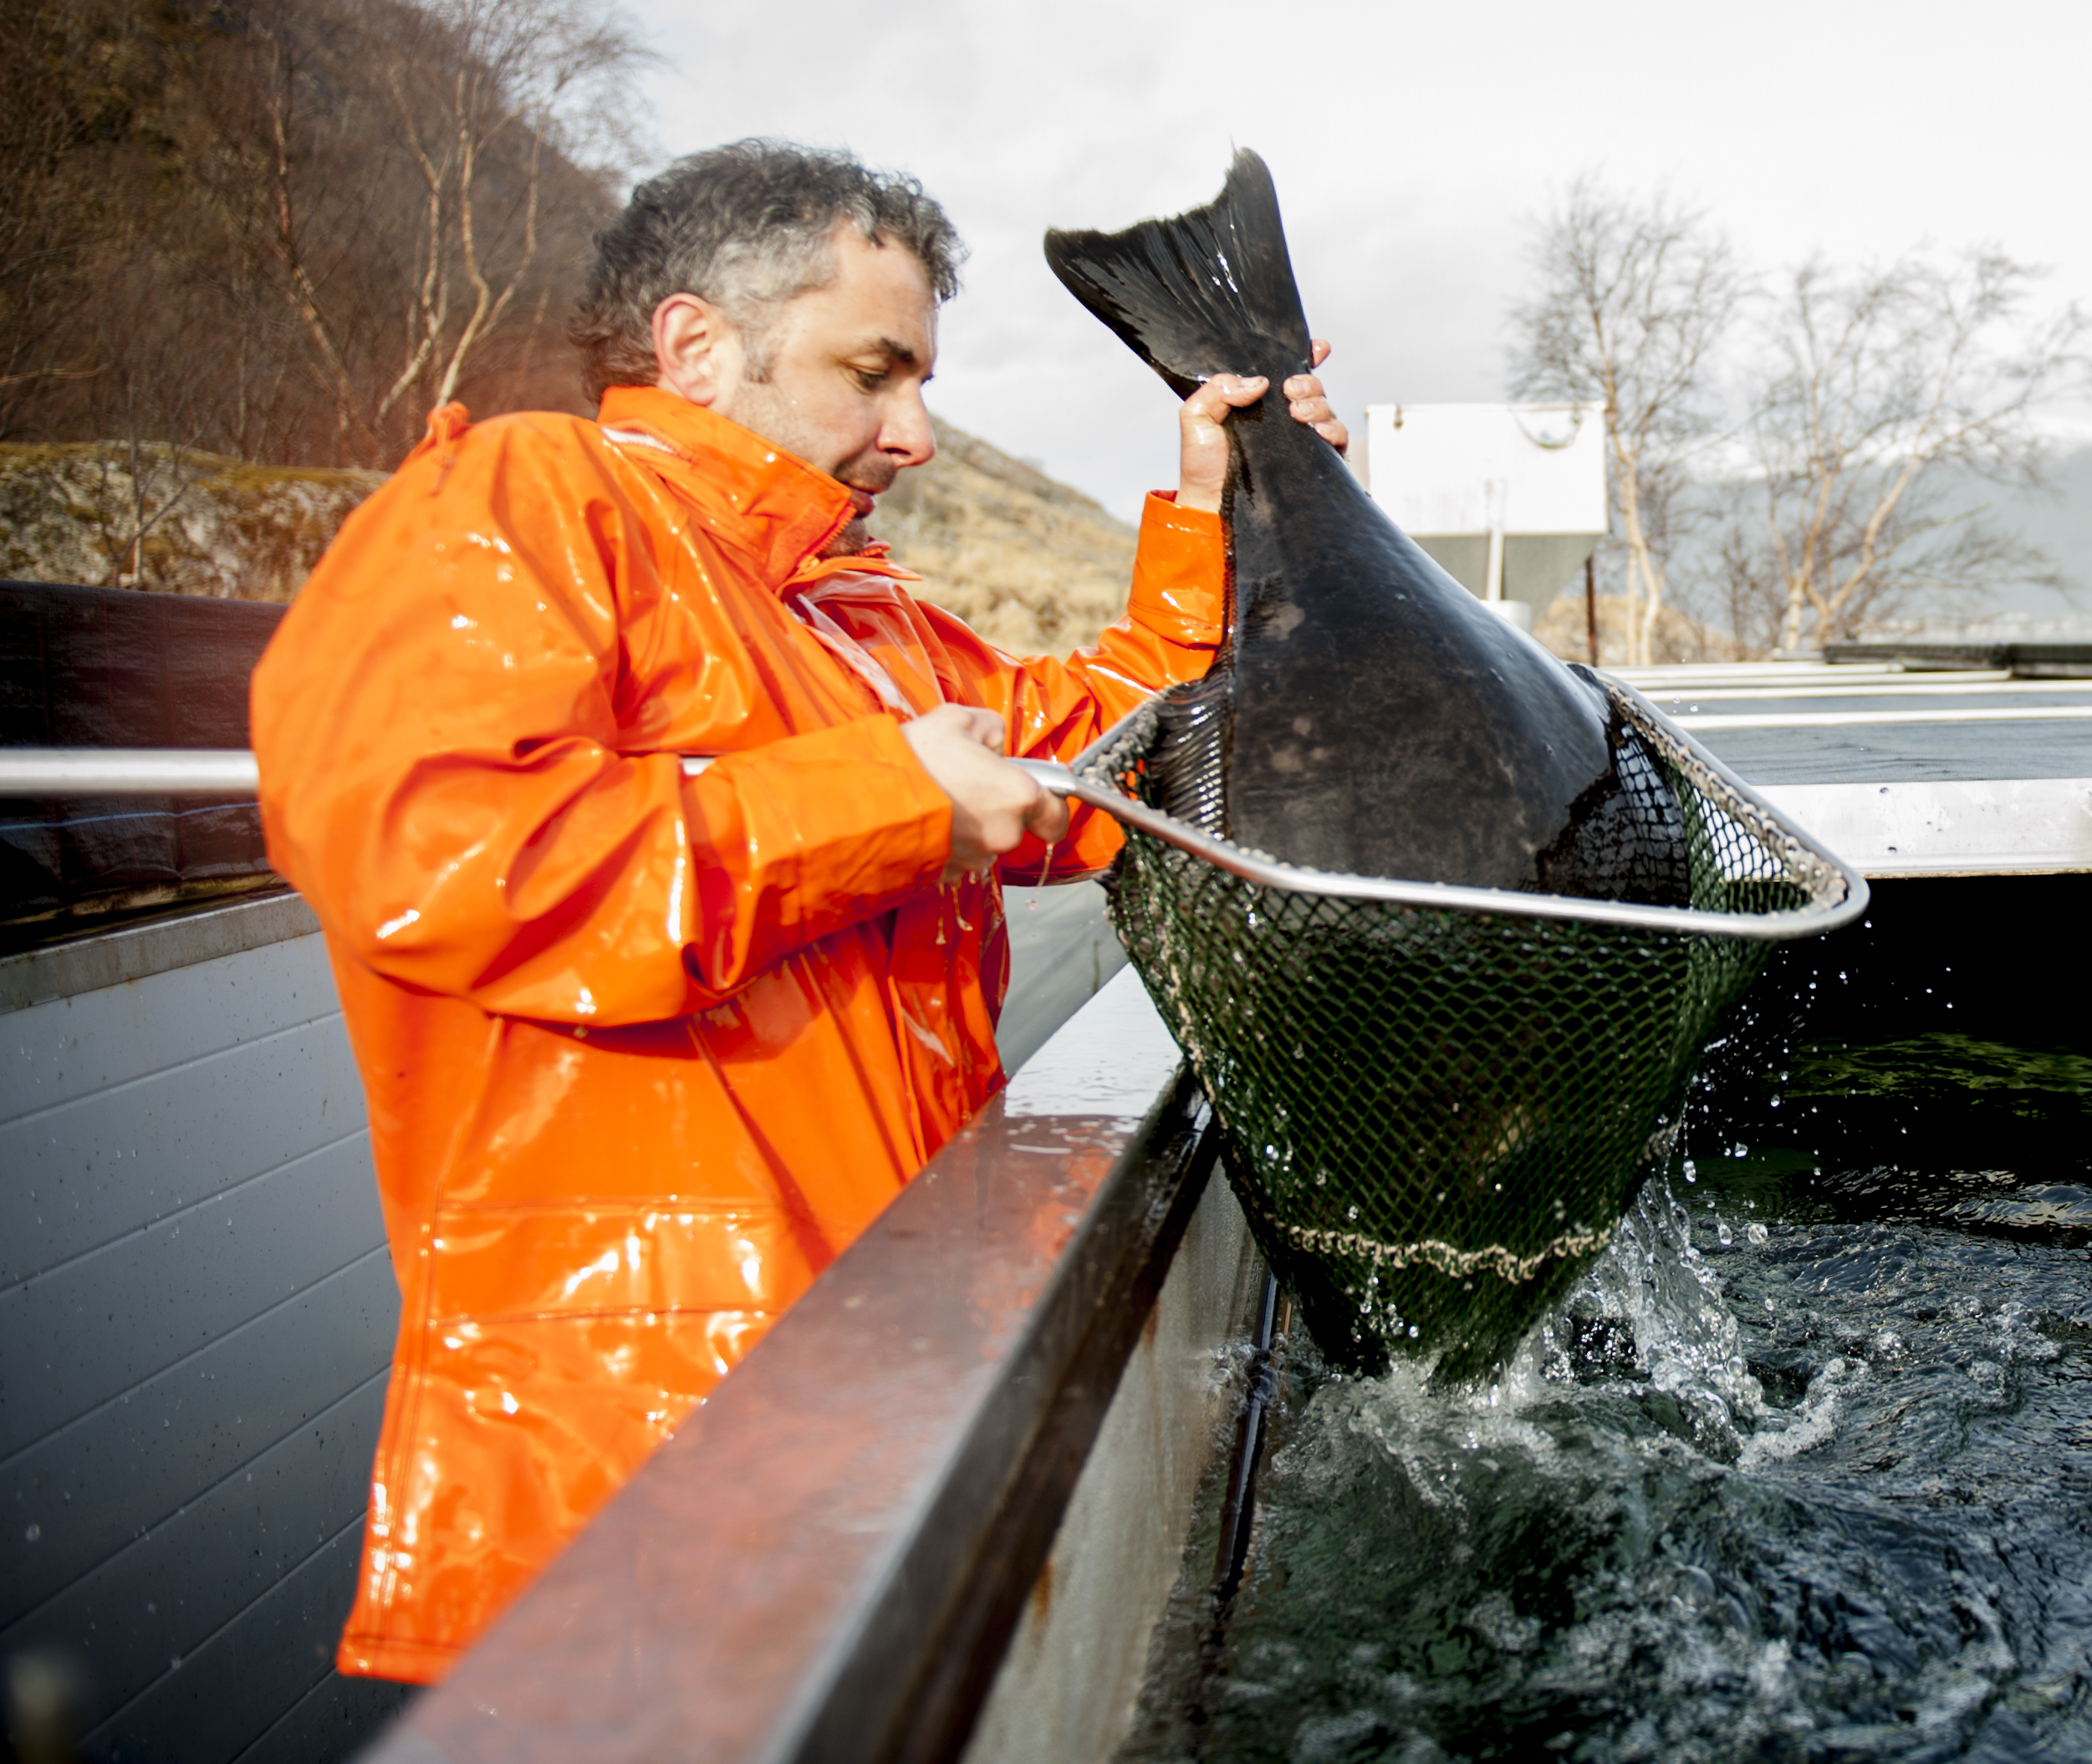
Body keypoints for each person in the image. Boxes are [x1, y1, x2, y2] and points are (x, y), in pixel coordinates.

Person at [249, 140, 1342, 1684]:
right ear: (697, 345)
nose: (916, 434)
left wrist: (1216, 513)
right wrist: (894, 801)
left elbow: (1108, 756)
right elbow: (441, 857)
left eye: (922, 383)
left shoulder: (854, 609)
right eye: (872, 373)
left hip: (888, 1396)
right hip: (648, 1474)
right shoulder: (524, 496)